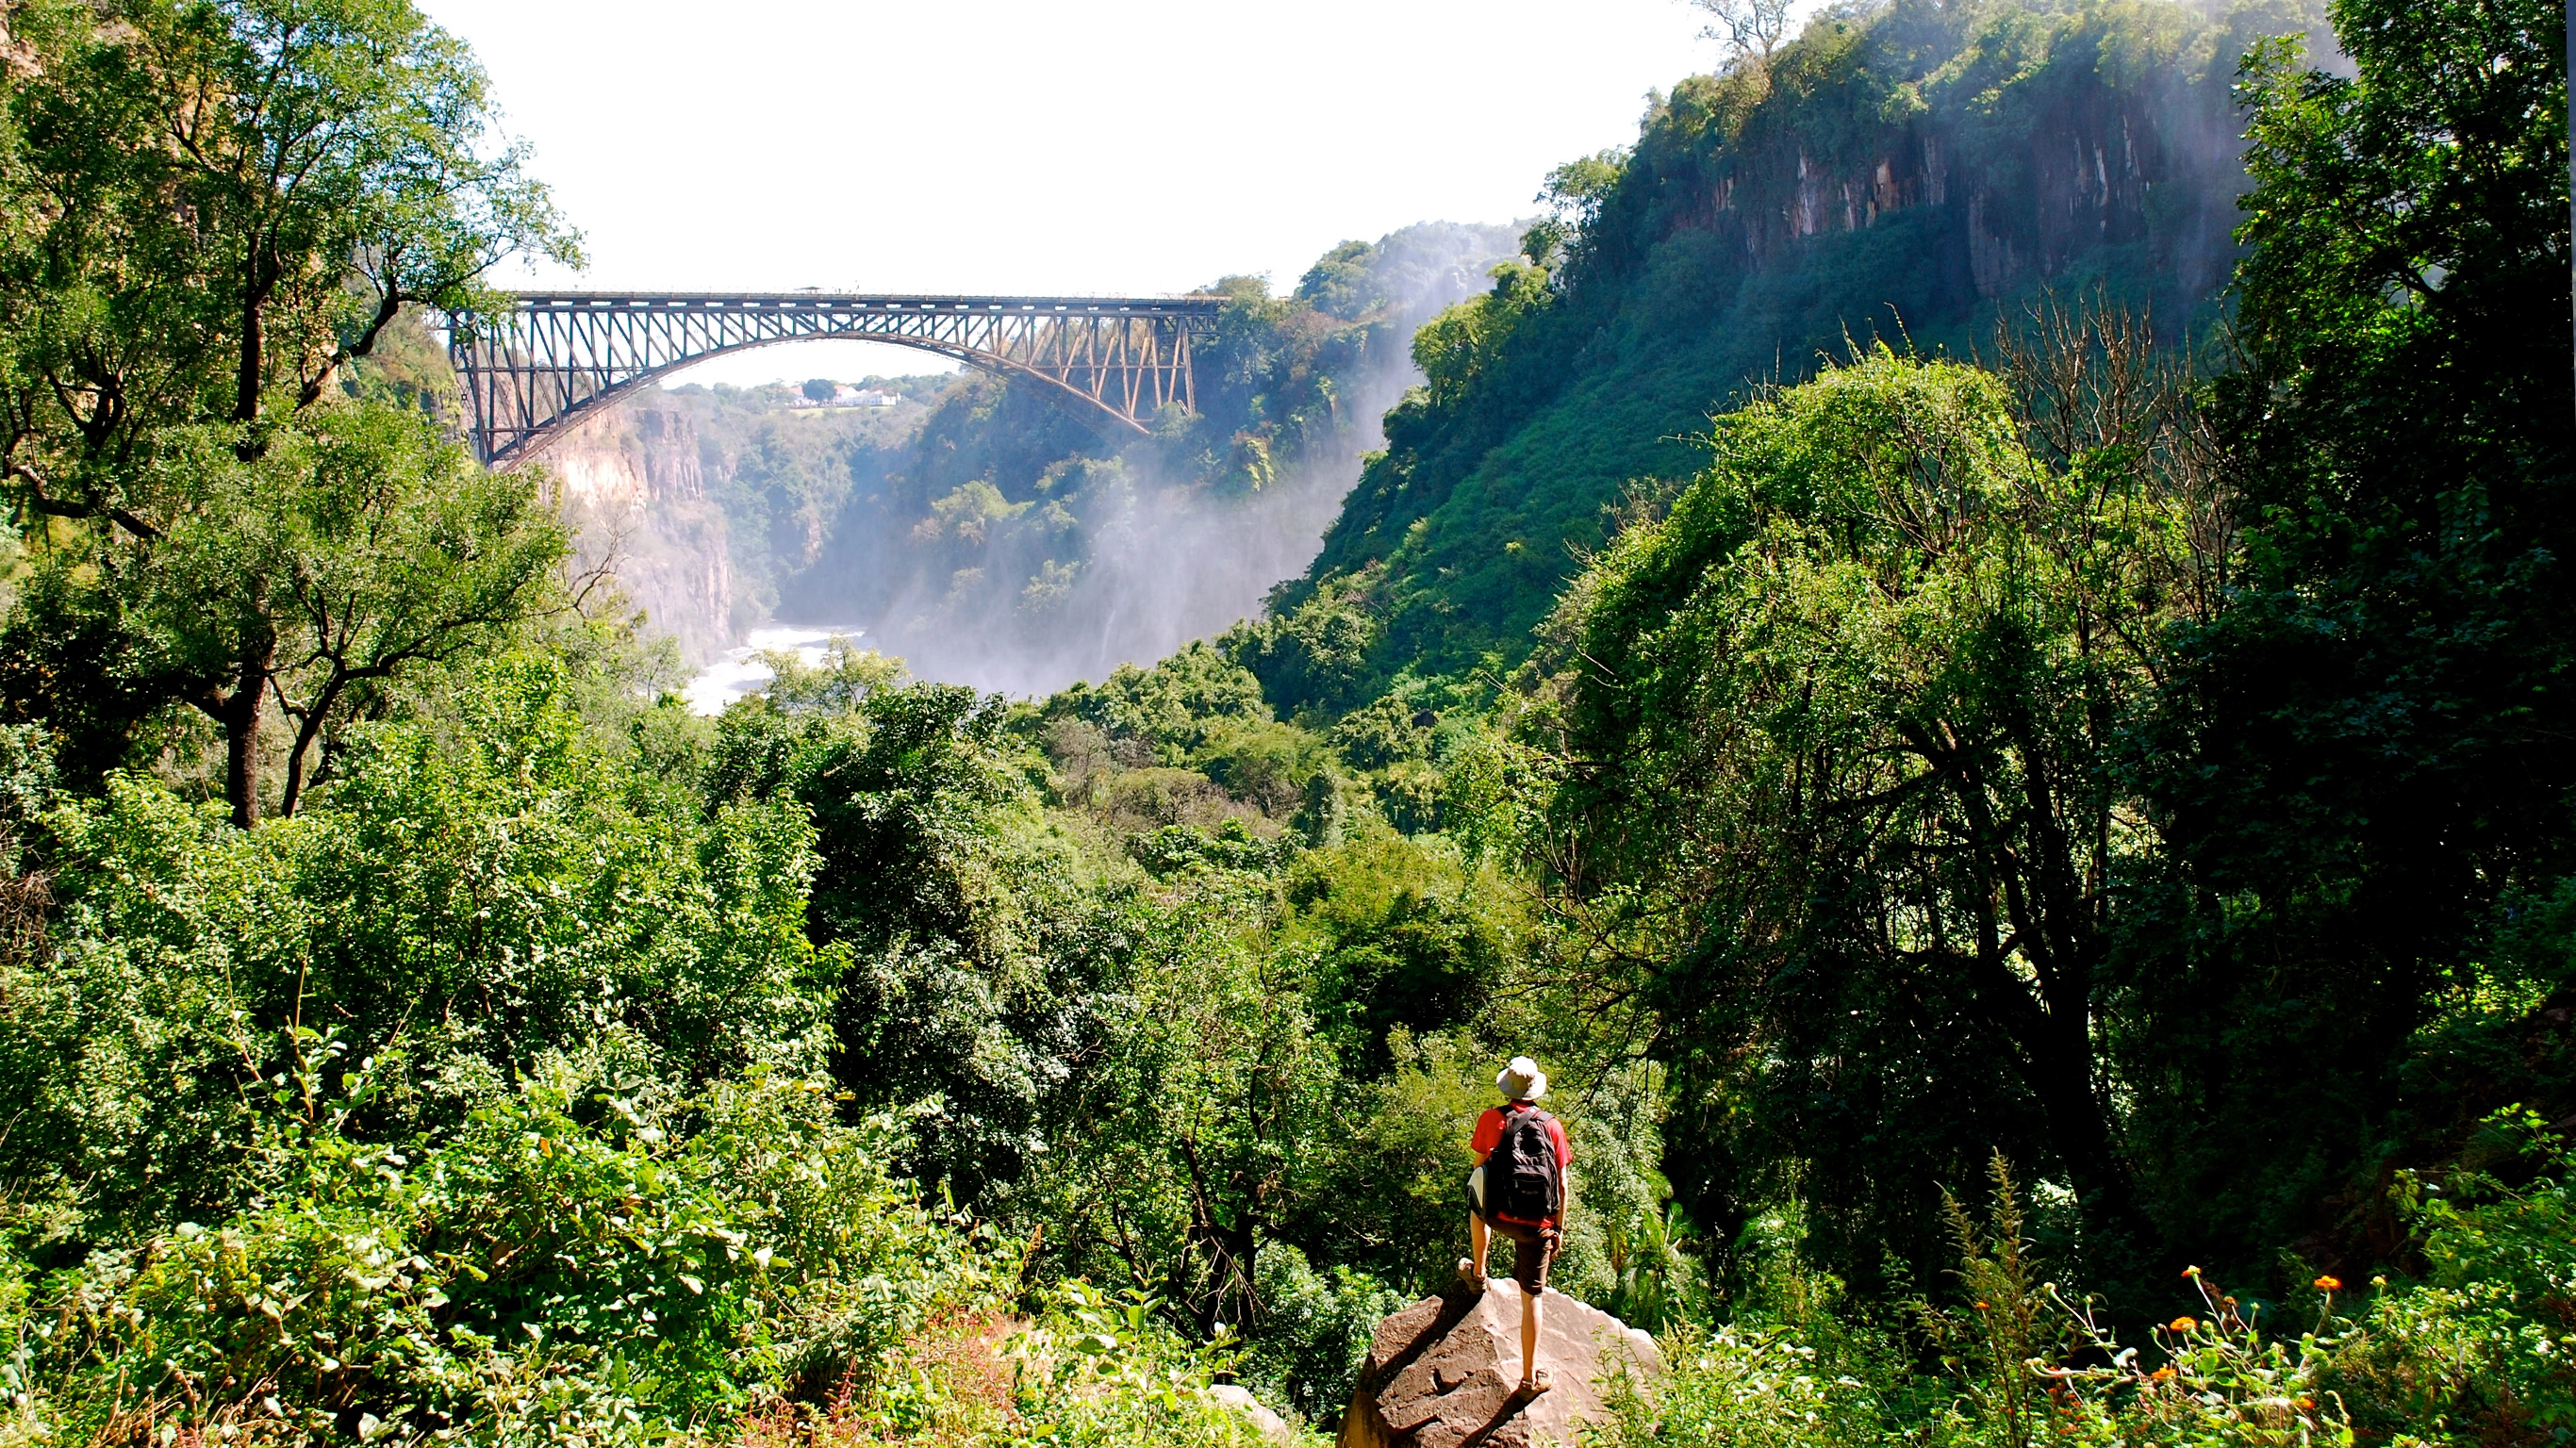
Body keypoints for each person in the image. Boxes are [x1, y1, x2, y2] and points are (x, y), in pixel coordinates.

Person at [1459, 1055, 1572, 1399]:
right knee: (1532, 1298)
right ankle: (1527, 1380)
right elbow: (1563, 1184)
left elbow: (1478, 1173)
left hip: (1499, 1215)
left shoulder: (1492, 1119)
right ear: (1535, 1090)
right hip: (1538, 1224)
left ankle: (1478, 1275)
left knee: (1476, 1206)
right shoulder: (1553, 1126)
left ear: (1508, 1086)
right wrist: (1558, 1229)